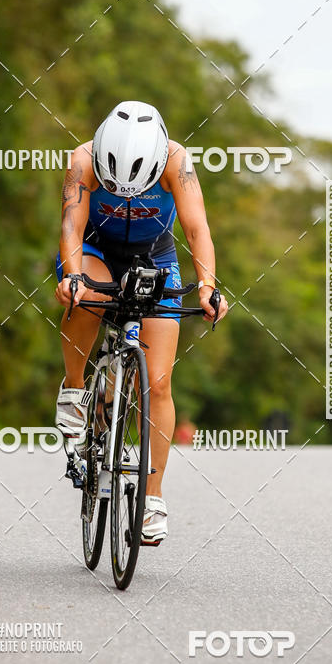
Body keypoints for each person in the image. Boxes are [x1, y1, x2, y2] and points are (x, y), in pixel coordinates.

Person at [54, 100, 228, 544]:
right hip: (94, 249)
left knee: (160, 383)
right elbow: (72, 227)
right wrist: (72, 277)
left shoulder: (177, 160)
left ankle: (151, 497)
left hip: (155, 256)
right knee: (88, 295)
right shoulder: (82, 160)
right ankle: (74, 389)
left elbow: (196, 229)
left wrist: (207, 286)